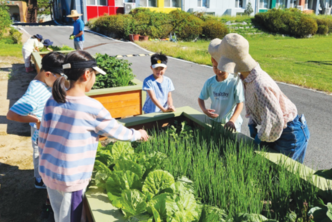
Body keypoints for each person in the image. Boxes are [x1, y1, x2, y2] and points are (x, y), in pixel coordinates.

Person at [38, 50, 149, 222]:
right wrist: (138, 134)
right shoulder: (91, 107)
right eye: (95, 74)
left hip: (49, 171)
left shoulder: (52, 100)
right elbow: (117, 131)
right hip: (71, 178)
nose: (95, 79)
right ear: (86, 74)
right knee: (70, 218)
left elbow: (42, 138)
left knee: (59, 214)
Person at [218, 33, 310, 163]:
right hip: (274, 129)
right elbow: (255, 105)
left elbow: (274, 119)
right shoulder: (246, 79)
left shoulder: (260, 85)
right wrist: (252, 123)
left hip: (288, 132)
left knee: (284, 174)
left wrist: (260, 137)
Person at [7, 52, 65, 189]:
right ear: (48, 74)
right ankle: (40, 180)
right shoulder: (35, 91)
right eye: (60, 78)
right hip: (40, 131)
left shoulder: (44, 82)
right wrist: (37, 120)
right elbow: (11, 115)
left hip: (46, 128)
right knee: (40, 154)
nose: (61, 82)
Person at [198, 38, 245, 132]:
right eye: (215, 67)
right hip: (215, 121)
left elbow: (240, 103)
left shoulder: (235, 81)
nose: (218, 71)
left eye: (221, 67)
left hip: (231, 123)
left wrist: (232, 120)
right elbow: (201, 98)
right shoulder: (210, 82)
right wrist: (204, 110)